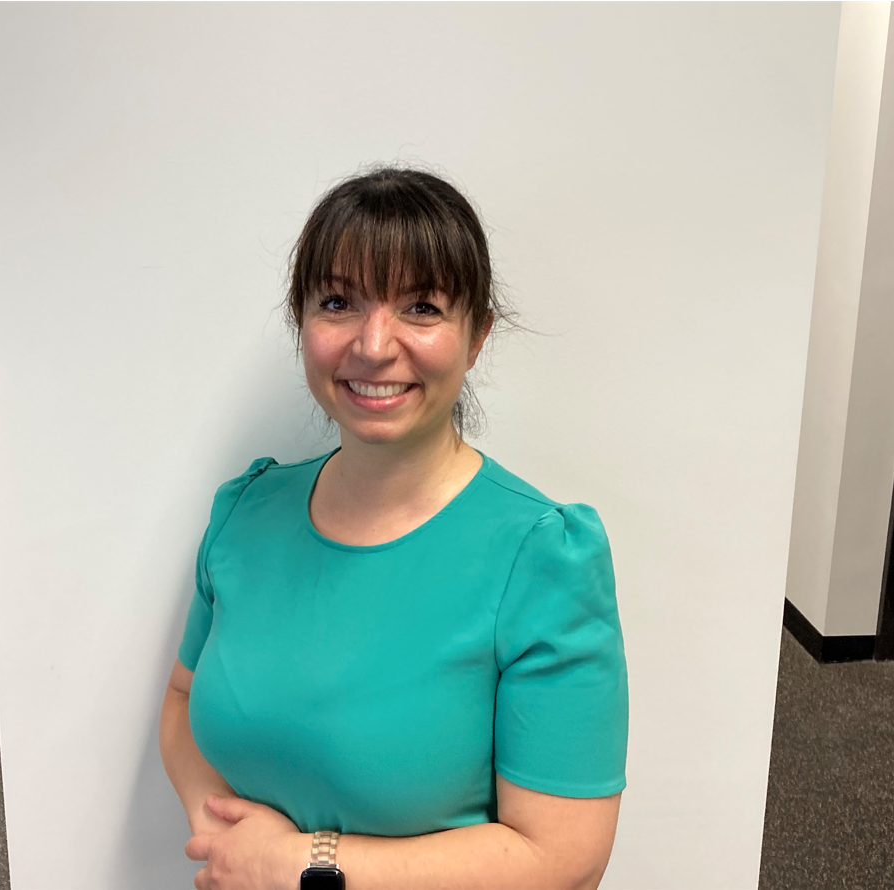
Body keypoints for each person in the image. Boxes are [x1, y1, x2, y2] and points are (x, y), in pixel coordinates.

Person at [159, 166, 629, 890]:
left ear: (476, 338)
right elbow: (184, 702)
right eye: (339, 301)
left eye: (420, 307)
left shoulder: (541, 557)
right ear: (302, 323)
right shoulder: (244, 512)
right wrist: (230, 845)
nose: (374, 345)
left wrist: (301, 867)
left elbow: (563, 860)